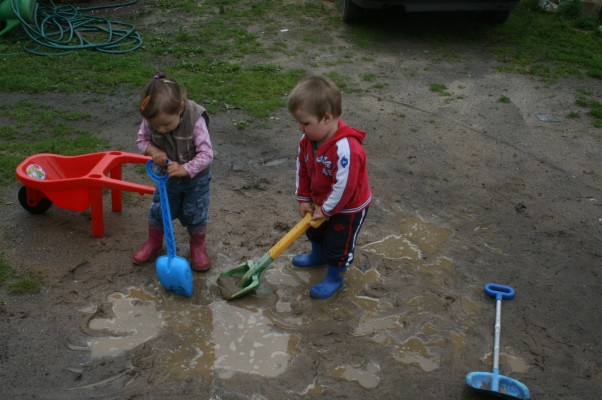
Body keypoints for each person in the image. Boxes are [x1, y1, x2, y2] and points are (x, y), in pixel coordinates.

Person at [287, 75, 371, 299]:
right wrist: (303, 198)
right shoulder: (307, 141)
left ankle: (335, 276)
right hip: (320, 201)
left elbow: (344, 188)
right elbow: (302, 169)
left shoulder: (347, 150)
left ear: (327, 118)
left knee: (338, 244)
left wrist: (326, 210)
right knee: (316, 231)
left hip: (347, 208)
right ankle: (318, 255)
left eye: (305, 123)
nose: (300, 128)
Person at [132, 71, 213, 271]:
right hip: (165, 178)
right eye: (155, 126)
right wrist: (153, 150)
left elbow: (206, 154)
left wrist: (185, 169)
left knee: (195, 212)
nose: (160, 130)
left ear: (181, 107)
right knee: (159, 211)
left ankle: (197, 246)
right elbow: (141, 140)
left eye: (166, 124)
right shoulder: (153, 117)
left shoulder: (195, 119)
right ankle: (154, 242)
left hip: (196, 180)